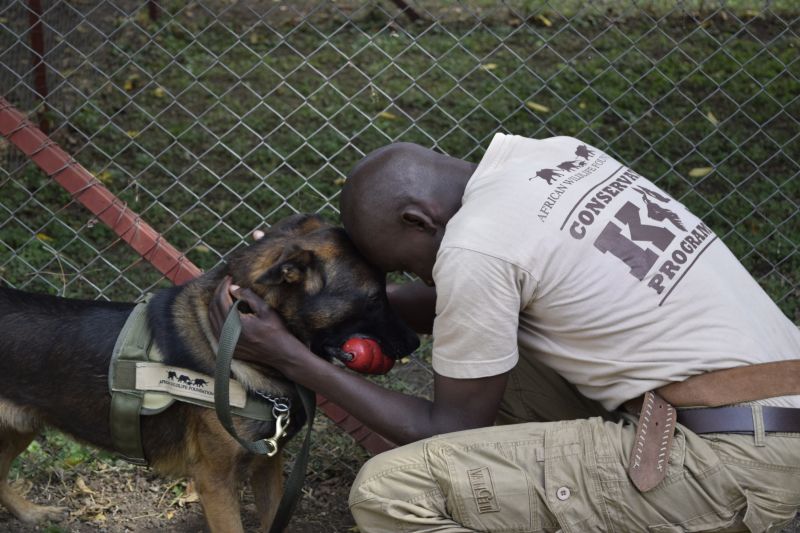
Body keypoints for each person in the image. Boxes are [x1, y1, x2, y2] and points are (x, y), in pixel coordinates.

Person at [209, 134, 800, 532]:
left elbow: (448, 428)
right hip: (773, 408)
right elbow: (463, 300)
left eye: (411, 265)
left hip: (732, 461)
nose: (421, 277)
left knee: (390, 492)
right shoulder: (552, 158)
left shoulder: (477, 248)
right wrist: (343, 306)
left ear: (419, 219)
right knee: (495, 362)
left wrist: (294, 359)